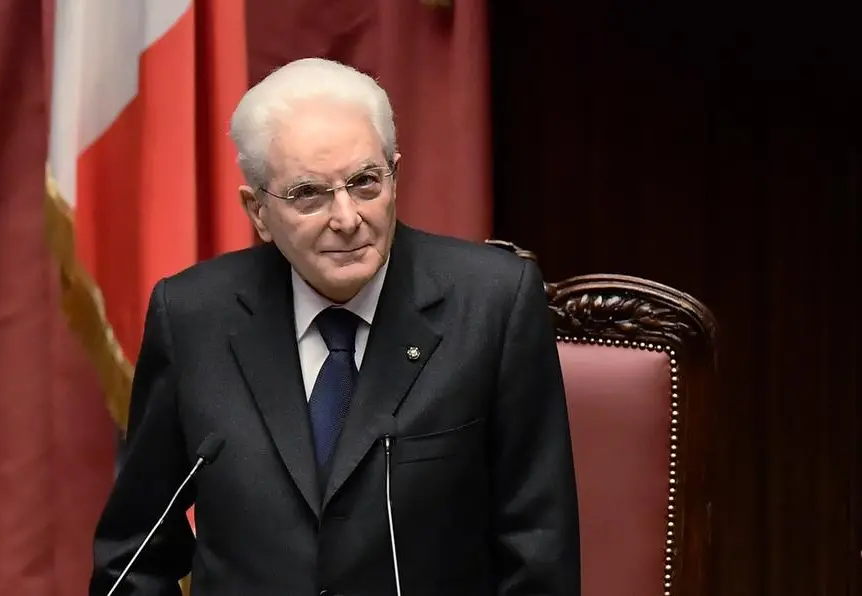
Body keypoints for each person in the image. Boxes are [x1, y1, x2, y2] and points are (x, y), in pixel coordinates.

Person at [89, 57, 580, 596]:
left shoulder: (493, 304)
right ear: (257, 212)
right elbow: (136, 552)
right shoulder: (192, 318)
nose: (347, 219)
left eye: (366, 182)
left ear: (395, 174)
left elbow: (539, 553)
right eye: (309, 195)